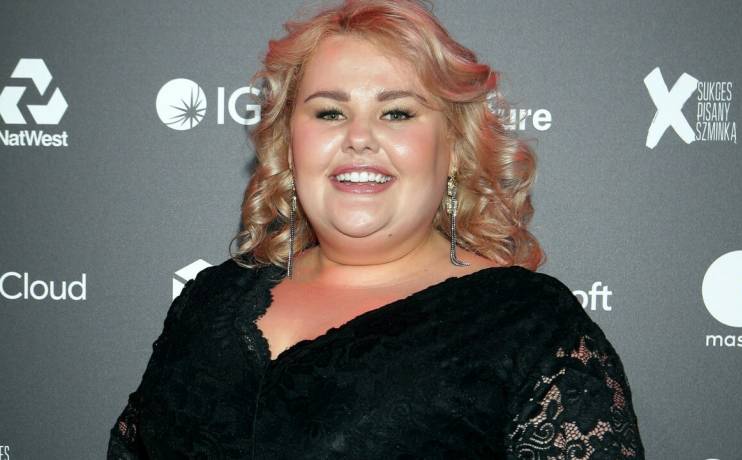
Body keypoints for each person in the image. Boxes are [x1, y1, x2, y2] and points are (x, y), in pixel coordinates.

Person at [107, 0, 645, 458]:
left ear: (455, 149)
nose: (359, 137)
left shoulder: (527, 325)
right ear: (289, 145)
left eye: (397, 113)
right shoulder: (210, 298)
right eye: (329, 113)